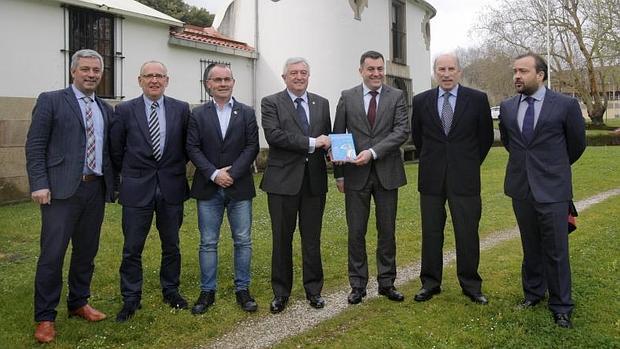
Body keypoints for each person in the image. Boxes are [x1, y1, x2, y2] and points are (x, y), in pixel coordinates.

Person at [25, 49, 115, 343]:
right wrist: (39, 183)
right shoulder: (51, 100)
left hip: (94, 188)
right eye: (86, 69)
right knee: (52, 255)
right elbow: (35, 146)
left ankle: (79, 302)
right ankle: (45, 317)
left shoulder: (105, 108)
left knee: (86, 252)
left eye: (96, 70)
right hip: (60, 192)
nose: (91, 75)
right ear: (73, 71)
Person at [499, 52, 585, 328]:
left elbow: (576, 145)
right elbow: (511, 143)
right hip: (520, 188)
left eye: (523, 71)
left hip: (553, 189)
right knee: (530, 245)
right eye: (515, 71)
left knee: (556, 249)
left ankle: (561, 305)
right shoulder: (508, 107)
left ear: (540, 75)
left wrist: (552, 168)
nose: (517, 76)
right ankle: (533, 292)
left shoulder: (565, 105)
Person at [110, 61, 190, 322]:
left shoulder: (181, 109)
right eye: (149, 76)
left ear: (167, 80)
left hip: (171, 188)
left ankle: (171, 290)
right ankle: (131, 298)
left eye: (159, 76)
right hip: (136, 189)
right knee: (132, 248)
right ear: (140, 80)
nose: (154, 80)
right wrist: (131, 176)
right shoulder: (123, 110)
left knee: (172, 245)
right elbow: (116, 150)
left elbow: (187, 147)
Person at [411, 53, 494, 305]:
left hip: (465, 179)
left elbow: (485, 138)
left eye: (451, 69)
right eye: (441, 69)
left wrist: (466, 163)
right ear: (435, 72)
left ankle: (470, 285)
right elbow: (419, 138)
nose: (446, 74)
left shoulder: (477, 100)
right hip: (431, 179)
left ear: (459, 71)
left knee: (467, 232)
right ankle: (430, 283)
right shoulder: (421, 100)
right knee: (431, 233)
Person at [333, 50, 409, 304]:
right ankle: (357, 285)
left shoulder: (397, 95)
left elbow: (401, 132)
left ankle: (387, 283)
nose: (376, 74)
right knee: (356, 232)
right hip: (355, 176)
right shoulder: (347, 97)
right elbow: (338, 134)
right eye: (371, 69)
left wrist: (373, 153)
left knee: (387, 231)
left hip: (387, 173)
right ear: (361, 71)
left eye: (380, 69)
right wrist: (339, 176)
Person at [186, 64, 260, 314]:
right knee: (208, 242)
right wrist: (215, 174)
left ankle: (243, 289)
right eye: (217, 79)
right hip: (208, 187)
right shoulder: (197, 114)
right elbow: (192, 148)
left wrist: (232, 173)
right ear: (208, 84)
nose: (223, 83)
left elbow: (252, 147)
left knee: (243, 240)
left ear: (233, 82)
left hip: (239, 187)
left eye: (227, 79)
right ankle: (207, 291)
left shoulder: (247, 112)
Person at [260, 57, 332, 313]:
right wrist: (313, 143)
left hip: (314, 183)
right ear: (284, 77)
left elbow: (328, 139)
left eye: (303, 72)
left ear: (308, 76)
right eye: (293, 73)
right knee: (282, 239)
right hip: (282, 184)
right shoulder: (271, 102)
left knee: (312, 240)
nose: (299, 77)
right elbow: (275, 136)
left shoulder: (322, 103)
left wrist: (336, 152)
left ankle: (314, 290)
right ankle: (281, 293)